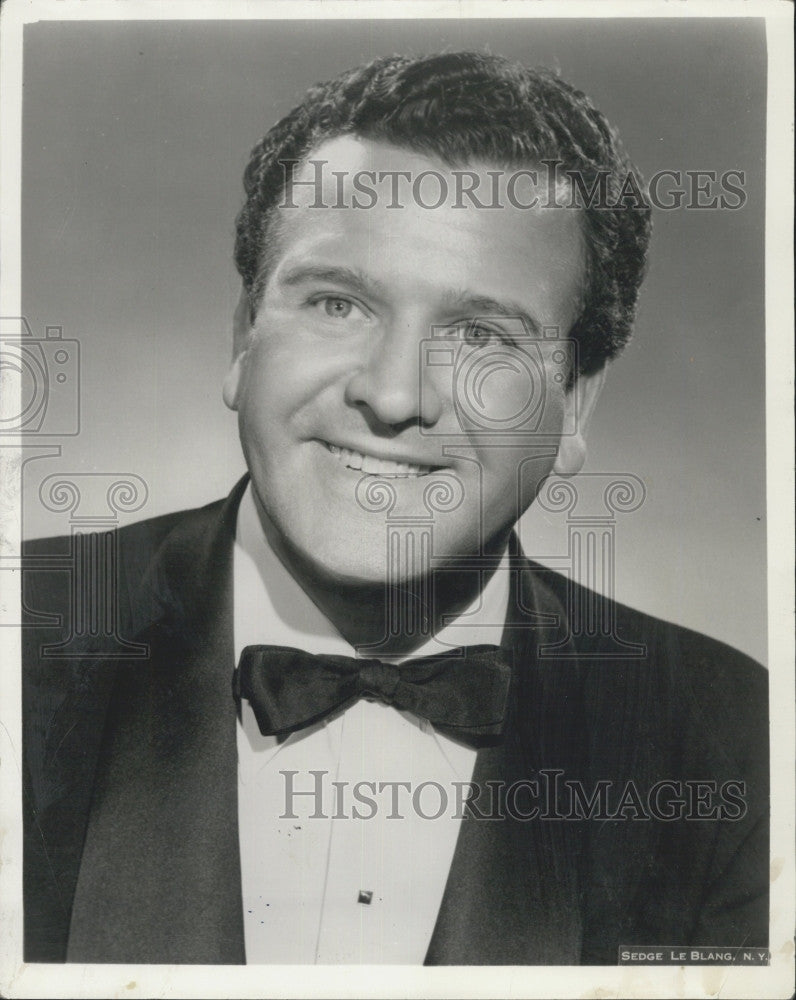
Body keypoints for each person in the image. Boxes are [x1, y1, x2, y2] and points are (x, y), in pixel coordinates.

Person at [21, 51, 768, 965]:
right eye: (337, 303)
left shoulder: (743, 750)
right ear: (241, 336)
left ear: (574, 406)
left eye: (481, 335)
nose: (393, 394)